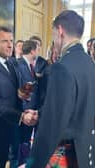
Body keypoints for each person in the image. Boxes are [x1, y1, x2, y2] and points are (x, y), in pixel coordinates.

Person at [26, 10, 95, 168]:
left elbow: (52, 126)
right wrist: (41, 113)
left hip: (66, 153)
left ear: (60, 31)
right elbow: (76, 107)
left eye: (53, 34)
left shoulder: (61, 67)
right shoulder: (90, 63)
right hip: (85, 152)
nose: (54, 40)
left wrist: (33, 163)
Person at [0, 26, 38, 168]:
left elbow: (12, 91)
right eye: (5, 41)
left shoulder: (12, 62)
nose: (10, 44)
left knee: (16, 160)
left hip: (17, 125)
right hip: (1, 127)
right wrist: (21, 116)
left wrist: (22, 93)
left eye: (11, 40)